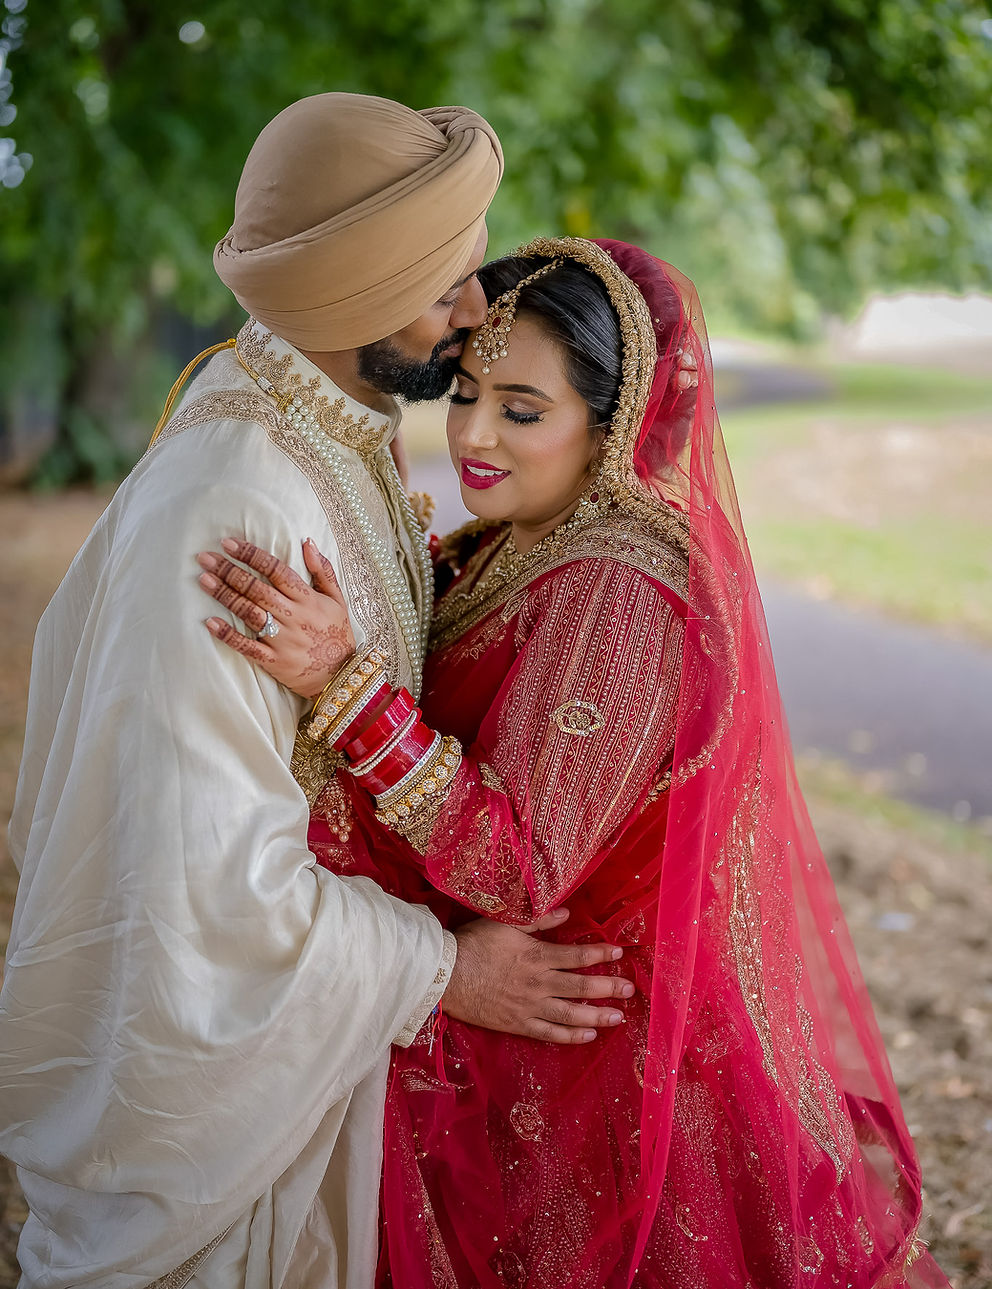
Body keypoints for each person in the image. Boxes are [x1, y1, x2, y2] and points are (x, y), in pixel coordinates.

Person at [197, 237, 949, 1287]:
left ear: (615, 419)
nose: (469, 433)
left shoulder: (620, 588)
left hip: (566, 1059)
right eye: (463, 391)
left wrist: (348, 689)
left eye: (519, 407)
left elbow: (517, 869)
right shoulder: (529, 535)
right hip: (514, 1018)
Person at [0, 101, 633, 1289]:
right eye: (443, 286)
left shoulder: (319, 424)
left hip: (321, 1076)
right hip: (223, 1149)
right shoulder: (240, 501)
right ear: (346, 293)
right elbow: (199, 891)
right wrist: (448, 972)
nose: (471, 316)